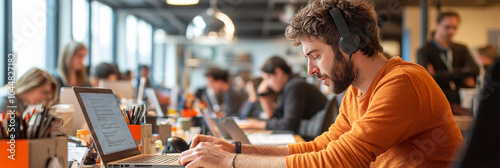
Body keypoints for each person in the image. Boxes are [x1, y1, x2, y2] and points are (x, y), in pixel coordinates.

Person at [178, 0, 464, 167]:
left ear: (349, 44)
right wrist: (235, 150)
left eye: (315, 55)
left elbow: (339, 160)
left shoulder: (402, 83)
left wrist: (229, 162)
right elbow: (322, 147)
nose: (310, 69)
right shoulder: (356, 91)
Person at [240, 56, 327, 133]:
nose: (268, 84)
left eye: (268, 78)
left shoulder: (295, 86)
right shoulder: (287, 87)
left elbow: (288, 125)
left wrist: (258, 125)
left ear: (278, 72)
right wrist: (263, 95)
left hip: (314, 138)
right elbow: (275, 118)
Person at [417, 12, 480, 105]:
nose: (452, 32)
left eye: (455, 28)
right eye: (447, 27)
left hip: (462, 100)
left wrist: (439, 74)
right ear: (437, 25)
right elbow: (428, 77)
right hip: (437, 100)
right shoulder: (424, 51)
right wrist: (462, 73)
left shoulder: (461, 49)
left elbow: (475, 70)